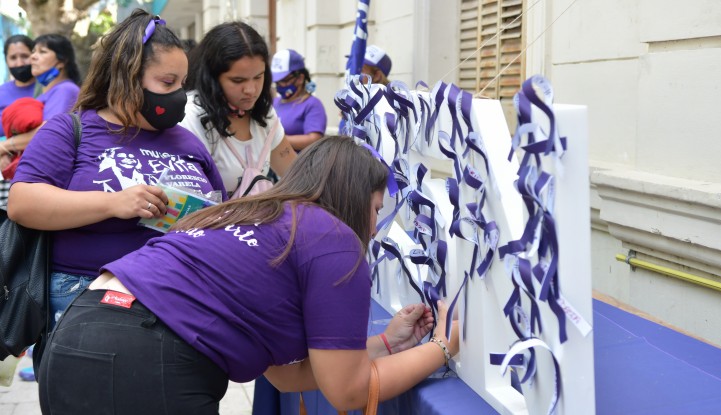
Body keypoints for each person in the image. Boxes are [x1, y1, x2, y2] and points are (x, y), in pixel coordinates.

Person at [37, 136, 460, 415]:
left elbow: (283, 372)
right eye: (375, 210)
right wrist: (442, 347)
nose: (372, 228)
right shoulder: (335, 239)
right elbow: (348, 392)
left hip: (74, 335)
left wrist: (387, 343)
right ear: (352, 199)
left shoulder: (247, 210)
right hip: (148, 357)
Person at [7, 8, 227, 340]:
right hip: (87, 299)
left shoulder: (188, 142)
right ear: (127, 74)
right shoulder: (71, 129)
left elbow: (220, 211)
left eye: (183, 83)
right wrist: (114, 203)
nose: (179, 94)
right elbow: (22, 203)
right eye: (167, 82)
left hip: (181, 299)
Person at [181, 22, 297, 199]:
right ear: (212, 77)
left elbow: (296, 176)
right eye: (237, 80)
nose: (251, 90)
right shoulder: (191, 116)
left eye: (258, 77)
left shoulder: (265, 115)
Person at [2, 34, 81, 156]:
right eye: (33, 52)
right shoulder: (47, 93)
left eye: (42, 52)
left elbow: (48, 133)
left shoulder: (66, 90)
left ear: (61, 62)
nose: (33, 57)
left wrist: (5, 146)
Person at [0, 34, 35, 205]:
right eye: (13, 58)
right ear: (6, 60)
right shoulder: (2, 92)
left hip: (38, 163)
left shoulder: (46, 89)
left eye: (24, 56)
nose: (20, 63)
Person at [271, 49, 327, 151]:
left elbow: (314, 139)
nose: (280, 85)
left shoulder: (312, 104)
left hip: (300, 165)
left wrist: (277, 140)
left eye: (284, 80)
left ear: (300, 78)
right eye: (277, 82)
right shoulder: (273, 103)